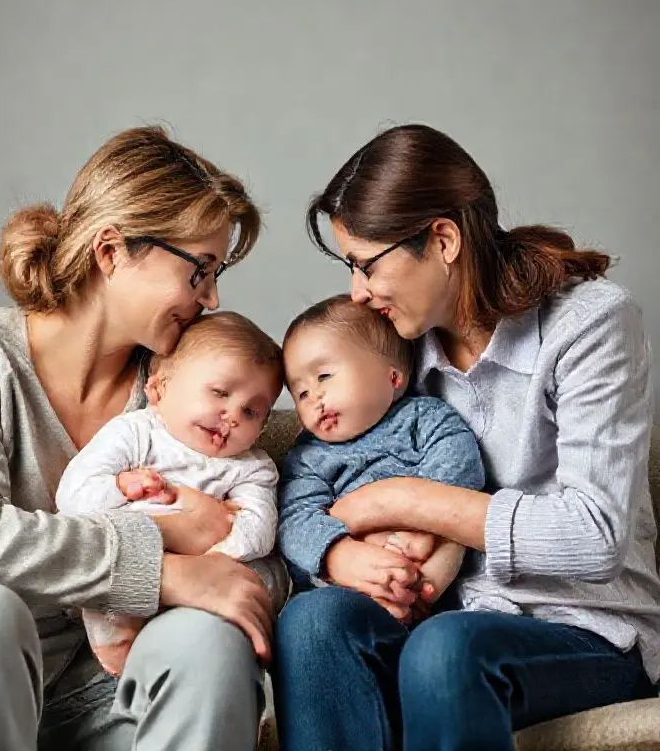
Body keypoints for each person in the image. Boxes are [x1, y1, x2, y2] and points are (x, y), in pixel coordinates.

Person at [0, 126, 288, 751]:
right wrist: (164, 559)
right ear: (112, 251)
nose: (212, 299)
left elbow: (256, 562)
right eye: (199, 271)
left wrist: (223, 554)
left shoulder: (176, 390)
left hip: (100, 685)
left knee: (208, 644)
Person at [274, 123, 660, 751]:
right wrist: (349, 557)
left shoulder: (591, 323)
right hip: (439, 616)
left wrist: (400, 500)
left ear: (443, 240)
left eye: (366, 265)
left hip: (587, 629)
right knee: (314, 622)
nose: (357, 292)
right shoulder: (392, 354)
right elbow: (313, 488)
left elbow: (596, 537)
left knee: (445, 650)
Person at [56, 311, 283, 677]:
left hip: (204, 587)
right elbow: (73, 496)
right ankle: (116, 640)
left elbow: (259, 529)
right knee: (103, 550)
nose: (233, 416)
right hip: (127, 564)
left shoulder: (251, 467)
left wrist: (212, 559)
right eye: (220, 393)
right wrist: (119, 487)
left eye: (252, 411)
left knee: (253, 582)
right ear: (159, 389)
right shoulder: (135, 433)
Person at [276, 293, 484, 615]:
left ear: (393, 377)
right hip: (350, 580)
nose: (313, 396)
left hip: (426, 554)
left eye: (324, 376)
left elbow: (459, 459)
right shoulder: (307, 456)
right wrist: (341, 554)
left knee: (453, 545)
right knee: (308, 612)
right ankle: (386, 600)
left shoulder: (423, 417)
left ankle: (418, 595)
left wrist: (424, 529)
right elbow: (295, 519)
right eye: (300, 393)